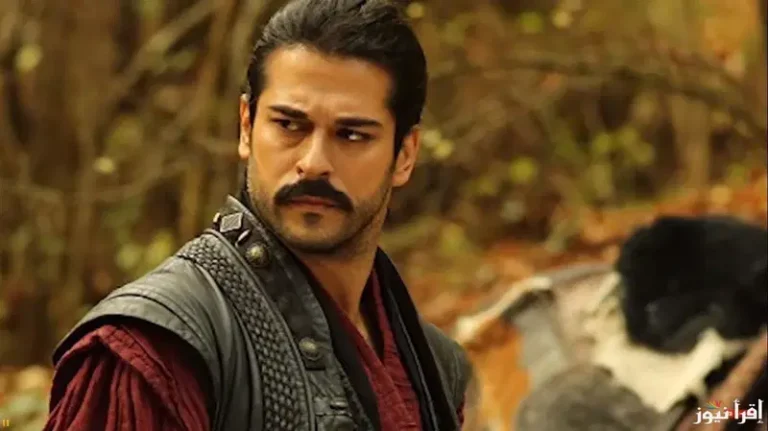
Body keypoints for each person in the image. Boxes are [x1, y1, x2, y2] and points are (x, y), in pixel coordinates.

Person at [42, 0, 471, 430]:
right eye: (289, 125)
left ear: (405, 155)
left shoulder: (434, 368)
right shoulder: (157, 349)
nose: (313, 163)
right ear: (246, 126)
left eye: (352, 134)